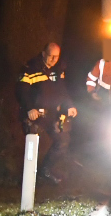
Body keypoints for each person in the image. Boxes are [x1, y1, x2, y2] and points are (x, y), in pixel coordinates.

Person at [19, 42, 78, 186]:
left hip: (52, 115)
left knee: (62, 140)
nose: (53, 59)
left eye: (56, 56)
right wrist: (29, 108)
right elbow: (22, 91)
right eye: (50, 56)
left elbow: (62, 91)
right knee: (32, 145)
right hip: (35, 115)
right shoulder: (31, 68)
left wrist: (69, 106)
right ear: (43, 54)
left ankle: (45, 171)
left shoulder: (58, 70)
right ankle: (28, 178)